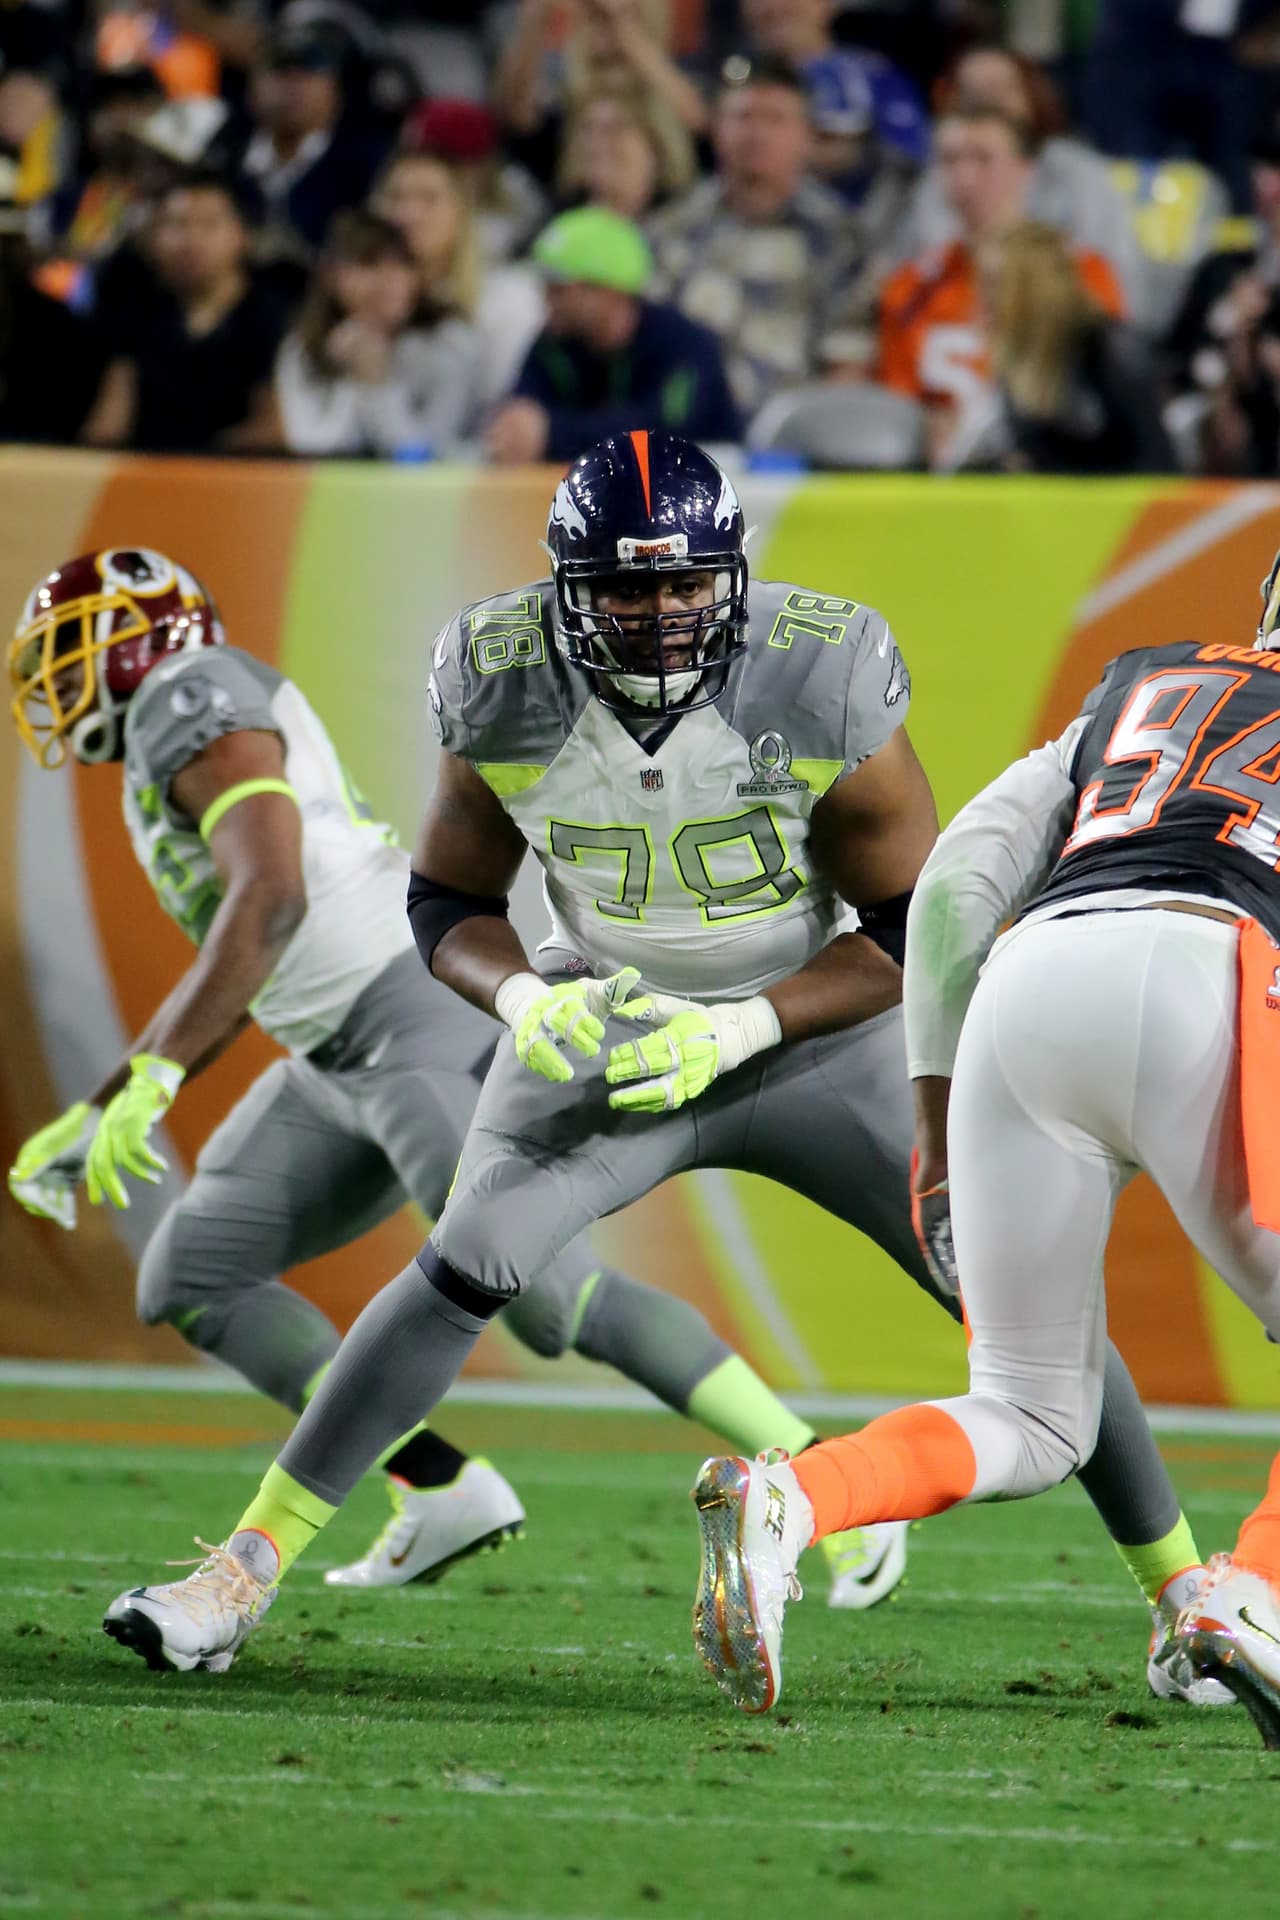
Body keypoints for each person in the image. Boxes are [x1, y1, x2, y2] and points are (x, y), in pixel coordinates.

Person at [102, 432, 1208, 1694]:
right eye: (626, 589)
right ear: (566, 589)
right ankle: (236, 1576)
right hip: (610, 1028)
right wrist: (518, 995)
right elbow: (443, 901)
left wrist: (743, 1025)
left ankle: (1180, 1594)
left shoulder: (816, 671)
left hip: (813, 1036)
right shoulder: (500, 676)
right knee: (460, 1268)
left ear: (730, 576)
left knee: (1023, 1304)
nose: (661, 615)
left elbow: (916, 931)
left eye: (686, 585)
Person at [7, 542, 870, 1605]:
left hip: (403, 1017)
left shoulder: (190, 693)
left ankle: (826, 1490)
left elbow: (268, 896)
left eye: (73, 649)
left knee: (545, 1300)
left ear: (142, 642)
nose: (57, 682)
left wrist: (152, 1076)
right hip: (335, 1052)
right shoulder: (168, 731)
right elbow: (263, 927)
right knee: (192, 1274)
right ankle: (436, 1487)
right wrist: (113, 1102)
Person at [685, 547, 1280, 1726]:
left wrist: (934, 1120)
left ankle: (789, 1503)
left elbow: (957, 882)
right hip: (1215, 972)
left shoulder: (1140, 681)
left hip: (1029, 979)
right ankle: (1247, 1593)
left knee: (1031, 1409)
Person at [876, 107, 1126, 472]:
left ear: (1026, 170)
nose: (964, 177)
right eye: (950, 161)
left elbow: (1106, 393)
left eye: (983, 159)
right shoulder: (910, 288)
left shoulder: (1081, 275)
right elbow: (896, 410)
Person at [647, 57, 865, 418]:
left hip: (795, 446)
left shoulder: (841, 240)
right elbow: (646, 353)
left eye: (776, 119)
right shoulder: (670, 231)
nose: (757, 134)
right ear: (717, 130)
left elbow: (847, 367)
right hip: (687, 438)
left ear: (807, 137)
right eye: (743, 117)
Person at [485, 207, 739, 464]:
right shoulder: (554, 343)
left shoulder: (686, 346)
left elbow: (663, 434)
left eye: (559, 289)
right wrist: (514, 430)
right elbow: (523, 410)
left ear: (607, 291)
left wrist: (553, 433)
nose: (547, 301)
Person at [895, 46, 1140, 307]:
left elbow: (1116, 279)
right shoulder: (936, 177)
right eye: (971, 92)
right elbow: (914, 273)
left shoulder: (1082, 173)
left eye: (998, 88)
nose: (986, 101)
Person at [81, 170, 286, 453]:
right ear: (152, 238)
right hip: (143, 478)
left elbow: (273, 430)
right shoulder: (136, 312)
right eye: (176, 225)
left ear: (242, 234)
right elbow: (109, 421)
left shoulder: (272, 317)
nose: (191, 241)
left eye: (209, 225)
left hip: (238, 480)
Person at [276, 209, 481, 457]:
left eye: (402, 264)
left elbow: (422, 460)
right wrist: (352, 383)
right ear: (332, 276)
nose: (390, 279)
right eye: (369, 264)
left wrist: (378, 385)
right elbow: (311, 448)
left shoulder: (449, 343)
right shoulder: (304, 346)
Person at [986, 222, 1173, 473]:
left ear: (1029, 288)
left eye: (995, 283)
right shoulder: (1016, 359)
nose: (983, 296)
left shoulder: (1106, 348)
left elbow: (1155, 459)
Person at [371, 149, 542, 413]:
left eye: (429, 199)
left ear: (461, 209)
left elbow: (502, 404)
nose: (408, 215)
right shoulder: (361, 300)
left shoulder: (508, 298)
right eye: (396, 198)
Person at [240, 25, 388, 263]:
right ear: (252, 89)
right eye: (281, 71)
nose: (294, 86)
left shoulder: (370, 166)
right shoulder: (221, 155)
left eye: (311, 70)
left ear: (336, 91)